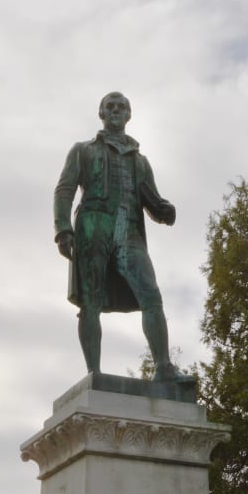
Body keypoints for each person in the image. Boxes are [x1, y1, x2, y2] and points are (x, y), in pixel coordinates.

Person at [54, 91, 190, 382]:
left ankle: (164, 368)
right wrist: (63, 229)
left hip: (128, 231)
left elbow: (152, 200)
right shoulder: (83, 150)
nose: (115, 110)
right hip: (94, 224)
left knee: (151, 296)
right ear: (101, 114)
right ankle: (94, 372)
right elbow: (65, 189)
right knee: (90, 301)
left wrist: (165, 210)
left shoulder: (141, 161)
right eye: (109, 106)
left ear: (129, 115)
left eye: (121, 107)